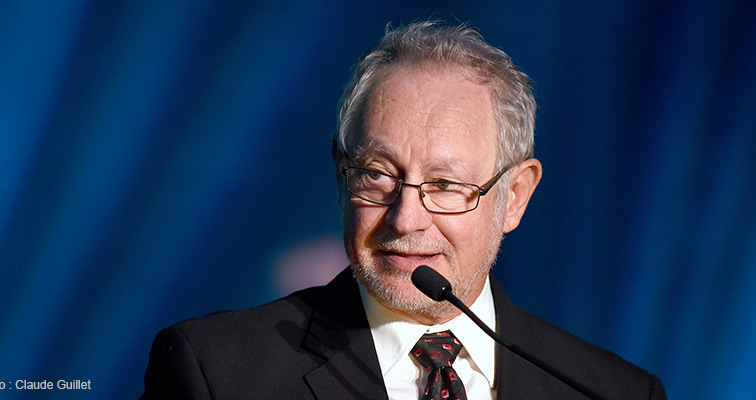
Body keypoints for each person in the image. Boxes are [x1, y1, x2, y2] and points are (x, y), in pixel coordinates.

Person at [140, 21, 666, 399]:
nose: (405, 218)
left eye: (445, 185)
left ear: (516, 196)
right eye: (376, 175)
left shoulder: (611, 390)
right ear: (340, 173)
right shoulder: (214, 372)